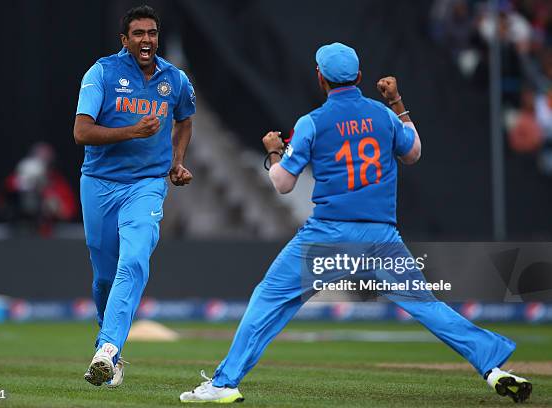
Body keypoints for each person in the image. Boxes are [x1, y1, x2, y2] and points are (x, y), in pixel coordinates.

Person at [179, 43, 532, 404]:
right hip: (381, 237)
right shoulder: (383, 115)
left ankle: (225, 383)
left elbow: (284, 184)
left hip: (328, 235)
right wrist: (397, 102)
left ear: (321, 78)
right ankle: (493, 369)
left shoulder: (312, 123)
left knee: (270, 300)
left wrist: (273, 151)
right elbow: (413, 153)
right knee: (426, 305)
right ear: (359, 77)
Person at [73, 4, 195, 387]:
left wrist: (176, 161)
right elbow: (81, 132)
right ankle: (110, 346)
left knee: (135, 259)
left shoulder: (174, 79)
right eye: (139, 34)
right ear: (125, 40)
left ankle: (107, 350)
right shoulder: (102, 73)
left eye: (152, 33)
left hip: (146, 185)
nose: (147, 40)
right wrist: (133, 132)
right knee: (105, 279)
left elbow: (185, 119)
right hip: (99, 183)